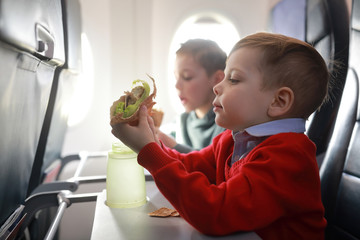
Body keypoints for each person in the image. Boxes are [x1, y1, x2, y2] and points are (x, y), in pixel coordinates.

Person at [111, 32, 328, 239]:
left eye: (233, 79)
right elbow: (190, 165)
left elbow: (215, 212)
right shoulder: (233, 139)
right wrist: (150, 143)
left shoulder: (288, 158)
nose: (216, 87)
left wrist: (149, 152)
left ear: (278, 101)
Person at [157, 39, 226, 153]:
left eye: (187, 77)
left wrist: (174, 146)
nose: (177, 85)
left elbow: (212, 163)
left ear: (217, 79)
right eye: (176, 77)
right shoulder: (181, 122)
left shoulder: (226, 124)